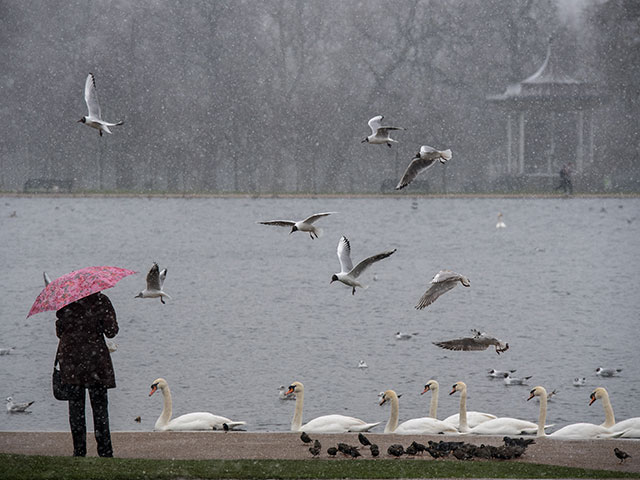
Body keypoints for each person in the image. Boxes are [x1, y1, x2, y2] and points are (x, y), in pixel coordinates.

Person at [55, 292, 118, 457]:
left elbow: (60, 332)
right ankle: (105, 451)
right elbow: (111, 331)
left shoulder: (65, 302)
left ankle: (79, 450)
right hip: (96, 362)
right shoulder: (101, 300)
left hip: (72, 363)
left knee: (76, 410)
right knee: (100, 410)